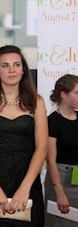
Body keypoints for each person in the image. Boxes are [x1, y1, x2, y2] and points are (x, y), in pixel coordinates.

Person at [0, 45, 48, 226]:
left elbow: (42, 147)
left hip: (27, 181)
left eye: (16, 64)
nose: (11, 70)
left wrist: (25, 187)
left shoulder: (37, 102)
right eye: (5, 65)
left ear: (23, 70)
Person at [45, 74, 78, 227]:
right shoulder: (52, 121)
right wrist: (60, 193)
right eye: (77, 92)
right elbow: (50, 160)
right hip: (60, 179)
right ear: (63, 95)